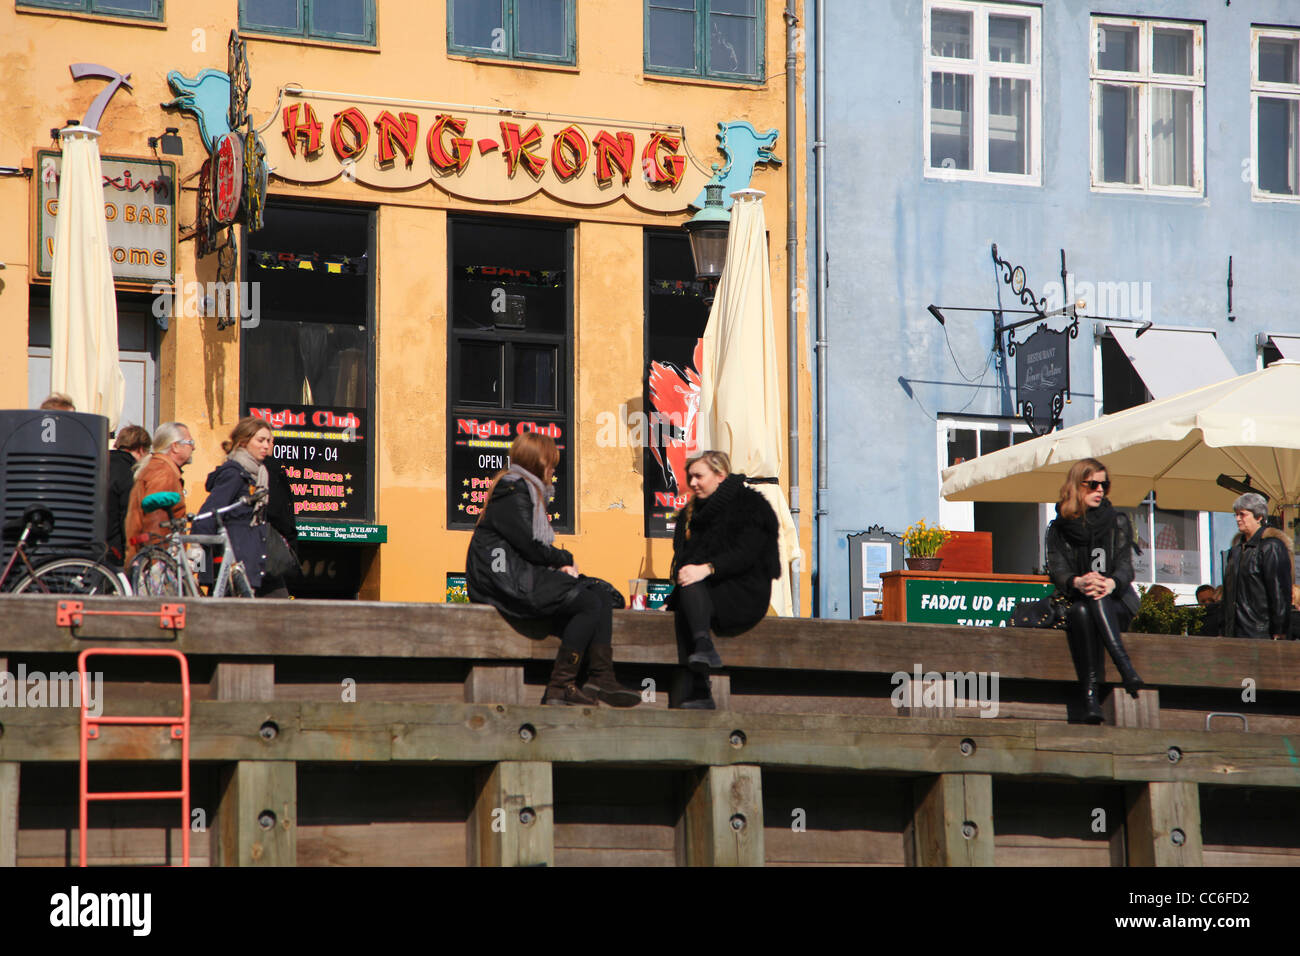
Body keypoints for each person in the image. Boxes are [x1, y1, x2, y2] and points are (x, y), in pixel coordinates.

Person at [465, 432, 640, 707]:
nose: (554, 469)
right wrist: (563, 560)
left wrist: (560, 566)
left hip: (515, 571)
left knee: (600, 596)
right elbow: (529, 544)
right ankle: (560, 687)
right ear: (537, 462)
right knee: (588, 602)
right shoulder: (514, 490)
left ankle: (602, 677)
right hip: (503, 576)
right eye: (551, 463)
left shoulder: (524, 489)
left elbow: (528, 546)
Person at [668, 450, 780, 710]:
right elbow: (688, 567)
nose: (692, 483)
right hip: (707, 594)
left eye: (699, 476)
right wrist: (669, 602)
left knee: (691, 583)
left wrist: (709, 568)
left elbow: (747, 554)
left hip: (745, 593)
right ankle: (701, 682)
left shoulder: (750, 505)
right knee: (685, 594)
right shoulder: (692, 514)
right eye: (690, 477)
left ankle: (702, 663)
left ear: (720, 475)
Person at [1045, 458, 1143, 724]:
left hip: (1118, 602)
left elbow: (1125, 568)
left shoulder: (1117, 521)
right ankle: (1113, 680)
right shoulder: (1058, 529)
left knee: (1095, 596)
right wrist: (1078, 582)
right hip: (1078, 604)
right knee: (1081, 609)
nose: (1100, 490)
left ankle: (1094, 693)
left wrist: (1109, 583)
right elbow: (1058, 571)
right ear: (1078, 487)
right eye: (1093, 485)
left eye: (1105, 484)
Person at [195, 417, 286, 597]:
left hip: (256, 556)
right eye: (260, 440)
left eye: (269, 441)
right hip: (235, 558)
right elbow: (209, 513)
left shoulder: (260, 473)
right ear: (243, 442)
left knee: (279, 609)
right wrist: (198, 555)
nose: (266, 446)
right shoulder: (234, 474)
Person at [1222, 493, 1293, 641]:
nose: (1237, 519)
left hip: (1261, 632)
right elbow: (1229, 594)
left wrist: (1279, 630)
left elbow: (1279, 591)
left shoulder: (1271, 547)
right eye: (1236, 514)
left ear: (1259, 517)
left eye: (1243, 514)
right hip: (1234, 632)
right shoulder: (1235, 551)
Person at [124, 422, 194, 565]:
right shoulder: (163, 472)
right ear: (175, 446)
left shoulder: (160, 467)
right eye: (190, 442)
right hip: (157, 558)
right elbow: (155, 521)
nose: (194, 447)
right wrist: (157, 562)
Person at [105, 425, 151, 566]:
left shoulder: (100, 463)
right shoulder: (130, 474)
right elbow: (127, 516)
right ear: (141, 450)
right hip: (112, 550)